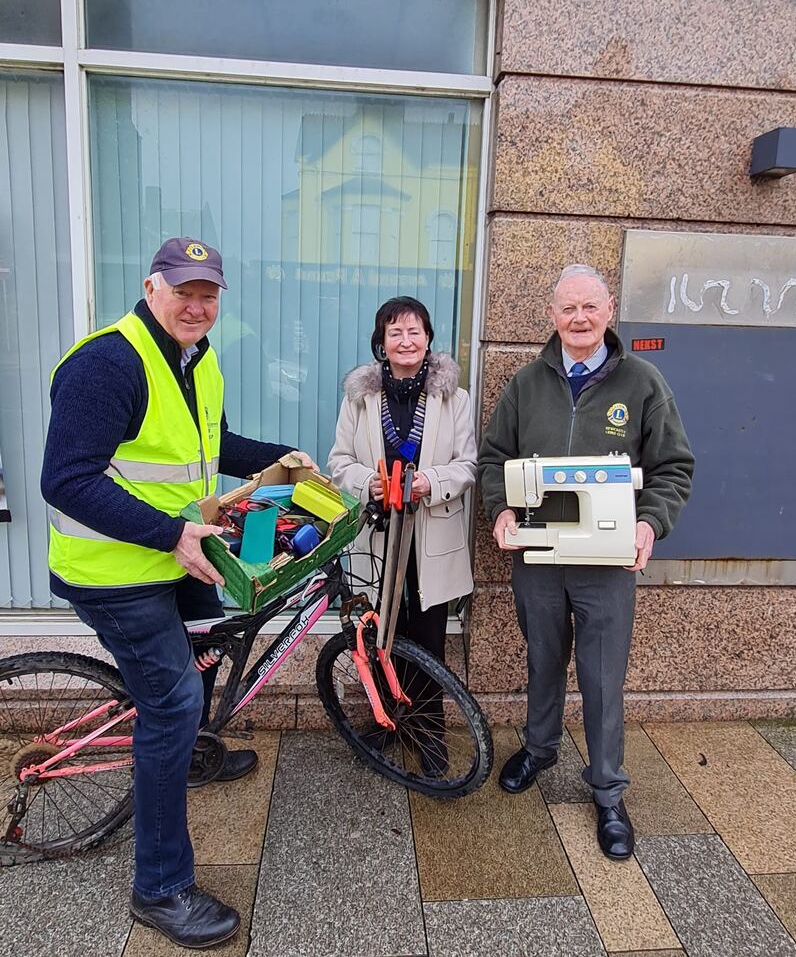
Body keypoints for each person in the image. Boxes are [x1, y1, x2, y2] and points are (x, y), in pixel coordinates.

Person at [41, 237, 317, 948]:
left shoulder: (197, 357)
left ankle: (194, 753)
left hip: (177, 558)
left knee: (208, 650)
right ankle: (159, 889)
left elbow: (211, 445)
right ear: (151, 286)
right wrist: (171, 534)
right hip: (116, 575)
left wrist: (283, 458)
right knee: (172, 702)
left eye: (209, 294)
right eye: (184, 289)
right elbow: (65, 480)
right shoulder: (109, 362)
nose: (198, 305)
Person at [478, 264, 693, 860]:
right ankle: (540, 748)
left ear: (609, 310)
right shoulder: (527, 383)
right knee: (543, 659)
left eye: (589, 307)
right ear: (552, 316)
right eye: (568, 308)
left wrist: (650, 525)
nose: (578, 318)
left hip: (607, 564)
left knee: (602, 678)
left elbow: (674, 467)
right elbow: (494, 458)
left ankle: (606, 790)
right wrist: (499, 511)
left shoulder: (643, 382)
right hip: (540, 556)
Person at [328, 296, 477, 776]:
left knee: (429, 637)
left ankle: (428, 730)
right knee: (379, 633)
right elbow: (338, 462)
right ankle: (388, 720)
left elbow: (469, 464)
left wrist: (430, 481)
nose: (406, 341)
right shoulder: (361, 397)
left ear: (429, 338)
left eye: (414, 332)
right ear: (382, 343)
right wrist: (363, 482)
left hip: (431, 532)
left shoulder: (454, 397)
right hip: (378, 533)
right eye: (395, 333)